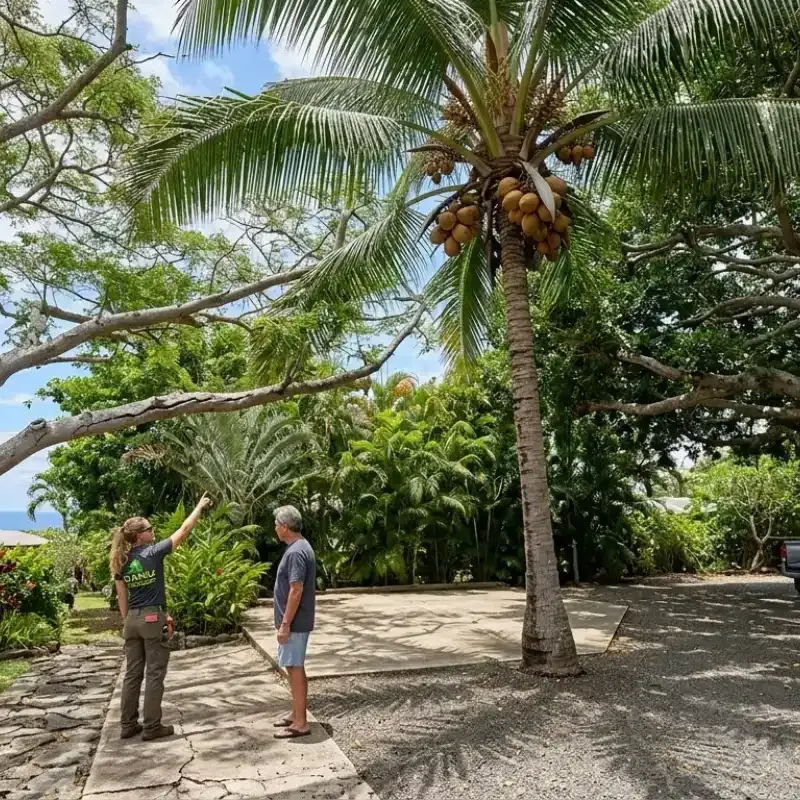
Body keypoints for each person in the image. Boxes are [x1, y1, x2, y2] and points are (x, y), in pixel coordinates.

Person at [111, 494, 212, 741]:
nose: (153, 531)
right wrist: (199, 507)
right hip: (151, 619)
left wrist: (128, 620)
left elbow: (121, 596)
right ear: (139, 536)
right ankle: (152, 726)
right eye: (149, 529)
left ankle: (127, 724)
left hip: (131, 621)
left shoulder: (121, 561)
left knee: (133, 674)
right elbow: (184, 529)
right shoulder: (153, 553)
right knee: (155, 673)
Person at [272, 505, 316, 740]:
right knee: (293, 667)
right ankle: (296, 713)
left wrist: (286, 623)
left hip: (295, 623)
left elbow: (296, 589)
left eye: (277, 524)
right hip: (294, 622)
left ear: (285, 527)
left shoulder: (297, 552)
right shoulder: (298, 548)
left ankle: (300, 723)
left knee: (295, 668)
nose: (275, 528)